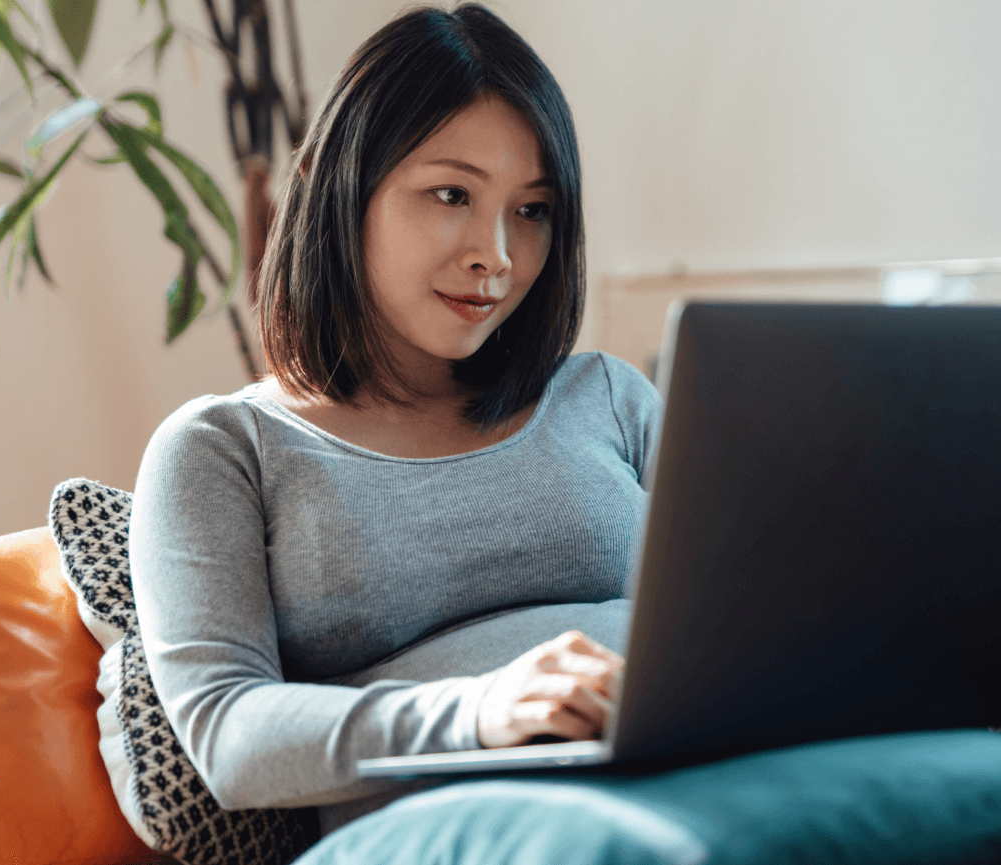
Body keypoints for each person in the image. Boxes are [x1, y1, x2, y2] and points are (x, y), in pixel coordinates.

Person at [127, 4, 658, 835]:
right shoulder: (226, 448)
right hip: (465, 830)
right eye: (451, 193)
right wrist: (480, 710)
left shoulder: (609, 398)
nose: (498, 254)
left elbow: (751, 611)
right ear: (339, 190)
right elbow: (227, 737)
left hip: (695, 775)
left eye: (533, 209)